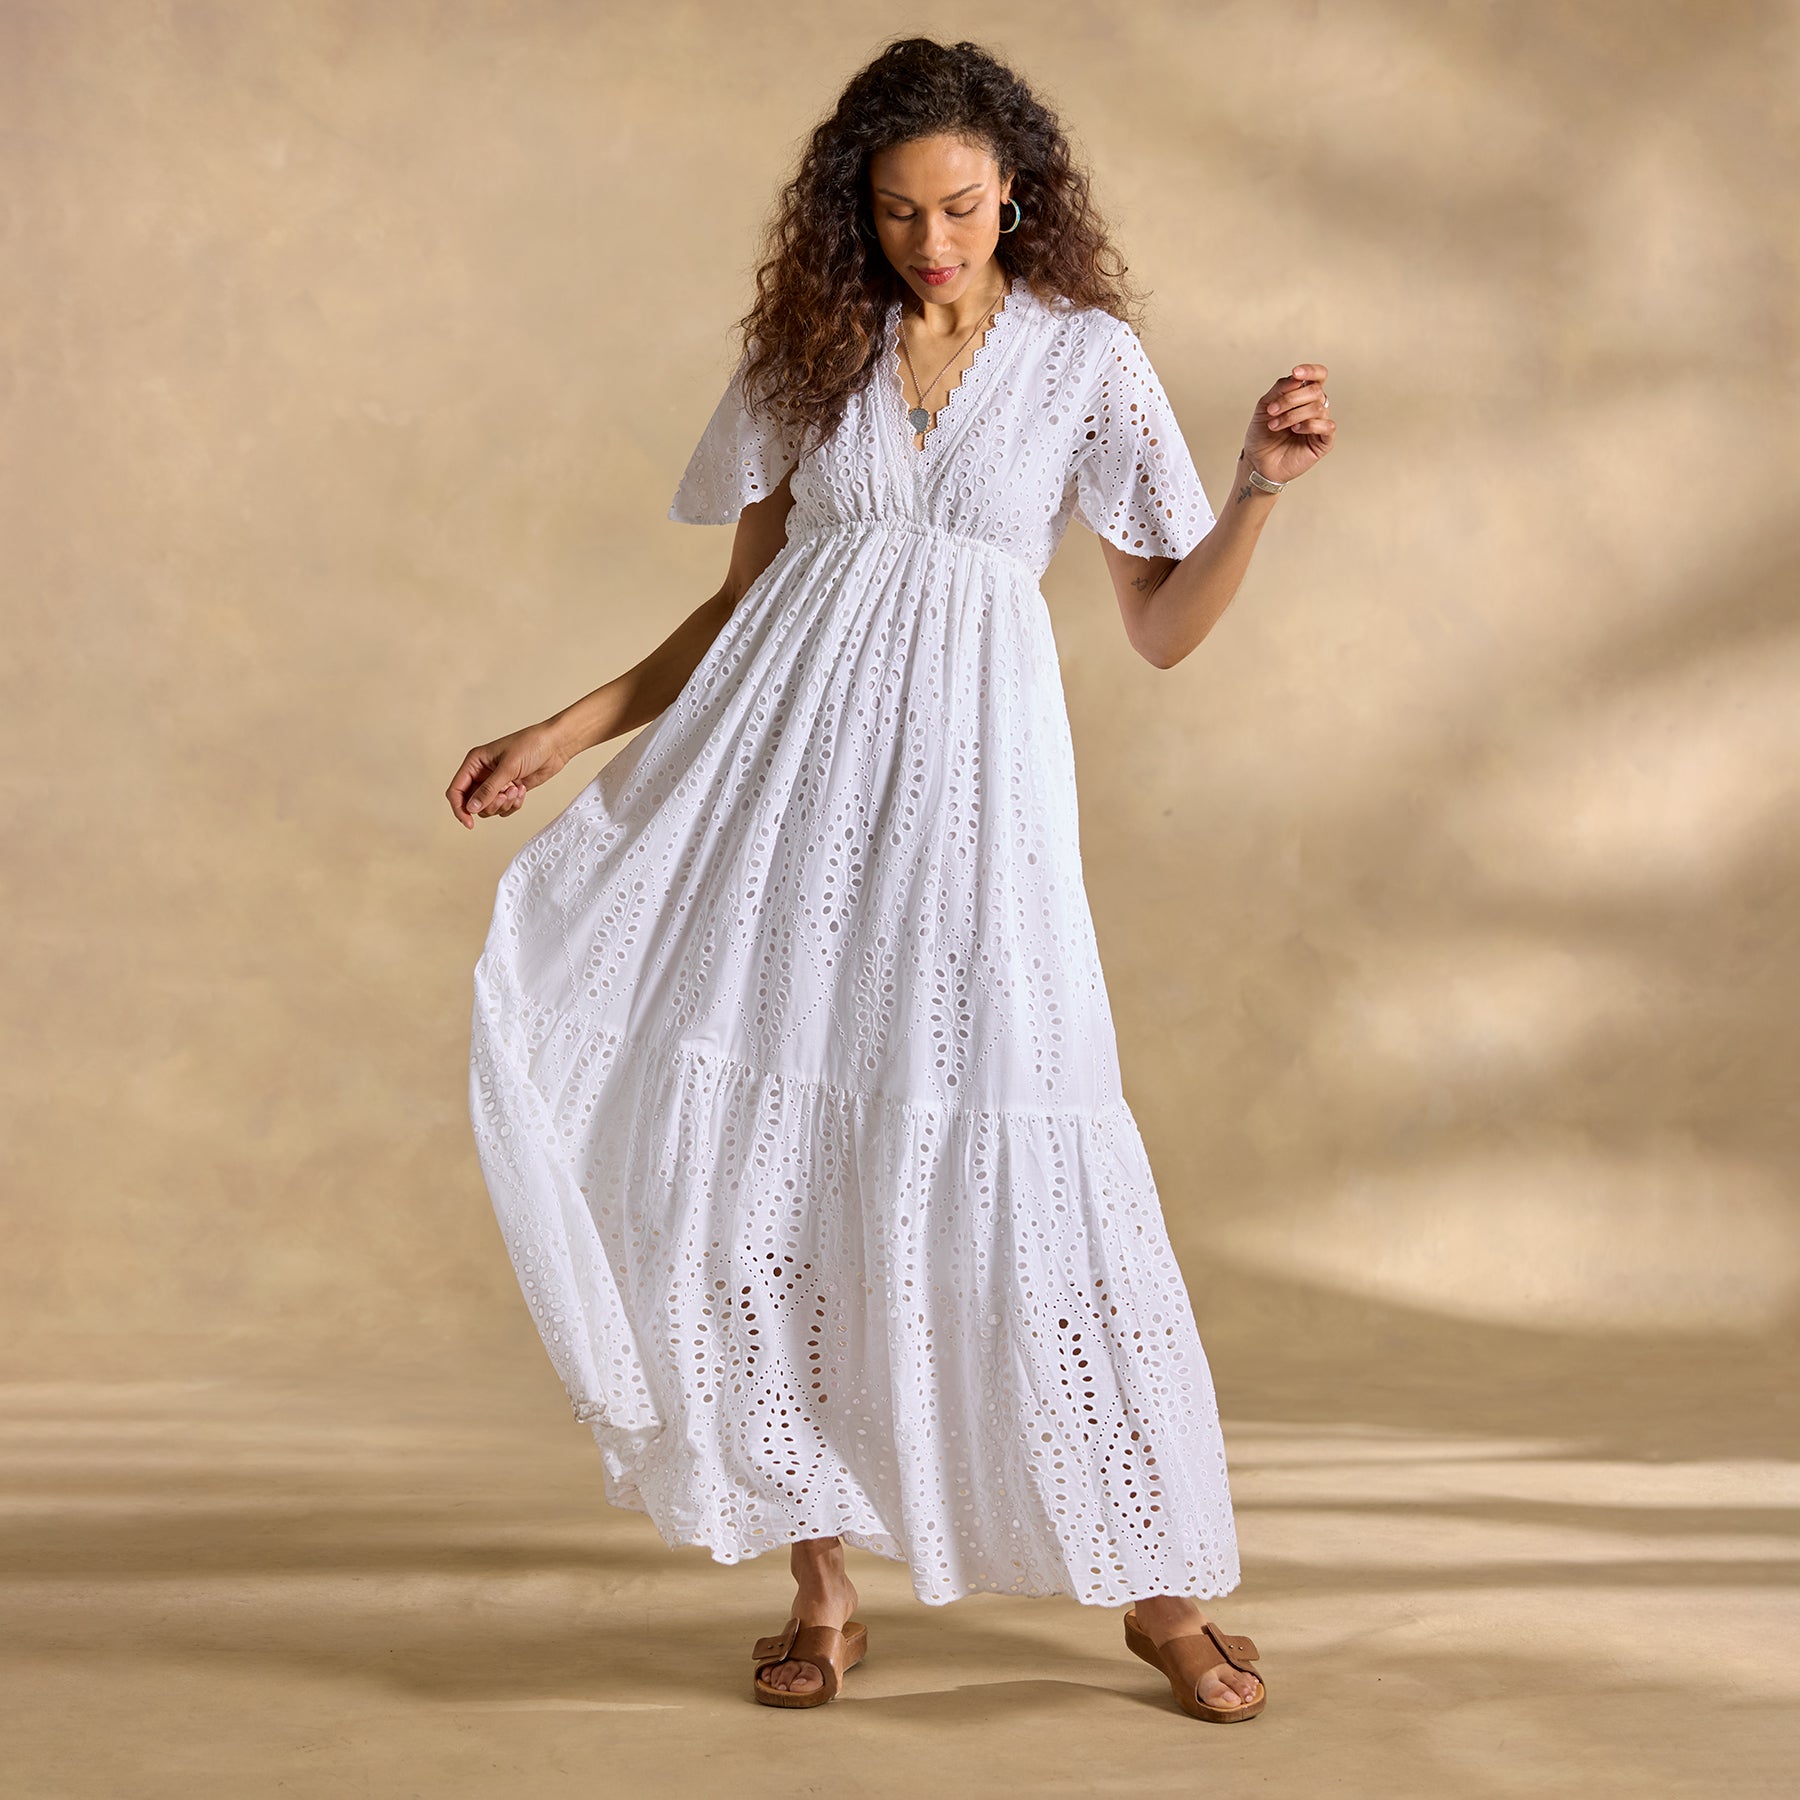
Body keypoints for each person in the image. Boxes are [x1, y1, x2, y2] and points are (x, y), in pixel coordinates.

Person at [447, 36, 1334, 1721]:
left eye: (964, 206)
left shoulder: (1086, 361)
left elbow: (1159, 626)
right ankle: (823, 1586)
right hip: (780, 815)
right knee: (778, 1174)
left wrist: (1256, 496)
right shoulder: (813, 350)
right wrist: (561, 735)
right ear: (854, 210)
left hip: (974, 822)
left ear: (1020, 195)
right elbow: (742, 612)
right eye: (900, 210)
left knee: (1026, 1146)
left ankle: (1158, 1590)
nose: (934, 240)